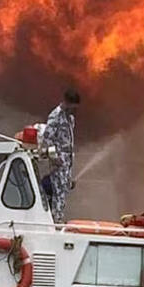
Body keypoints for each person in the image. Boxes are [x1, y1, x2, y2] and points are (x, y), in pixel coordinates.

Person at [43, 89, 80, 223]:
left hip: (67, 161)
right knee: (58, 193)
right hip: (59, 161)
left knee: (64, 192)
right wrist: (55, 157)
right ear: (66, 102)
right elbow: (47, 138)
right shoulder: (55, 116)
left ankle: (58, 218)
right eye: (72, 107)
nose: (74, 110)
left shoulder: (70, 118)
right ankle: (55, 221)